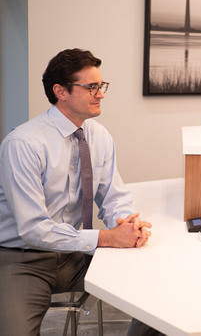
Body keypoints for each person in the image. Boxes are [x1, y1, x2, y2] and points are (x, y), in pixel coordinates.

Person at [0, 48, 155, 335]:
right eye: (91, 87)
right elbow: (33, 229)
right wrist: (107, 238)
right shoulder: (23, 143)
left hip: (76, 256)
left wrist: (126, 225)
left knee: (159, 289)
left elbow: (114, 197)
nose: (101, 94)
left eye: (101, 86)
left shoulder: (99, 136)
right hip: (22, 258)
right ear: (61, 91)